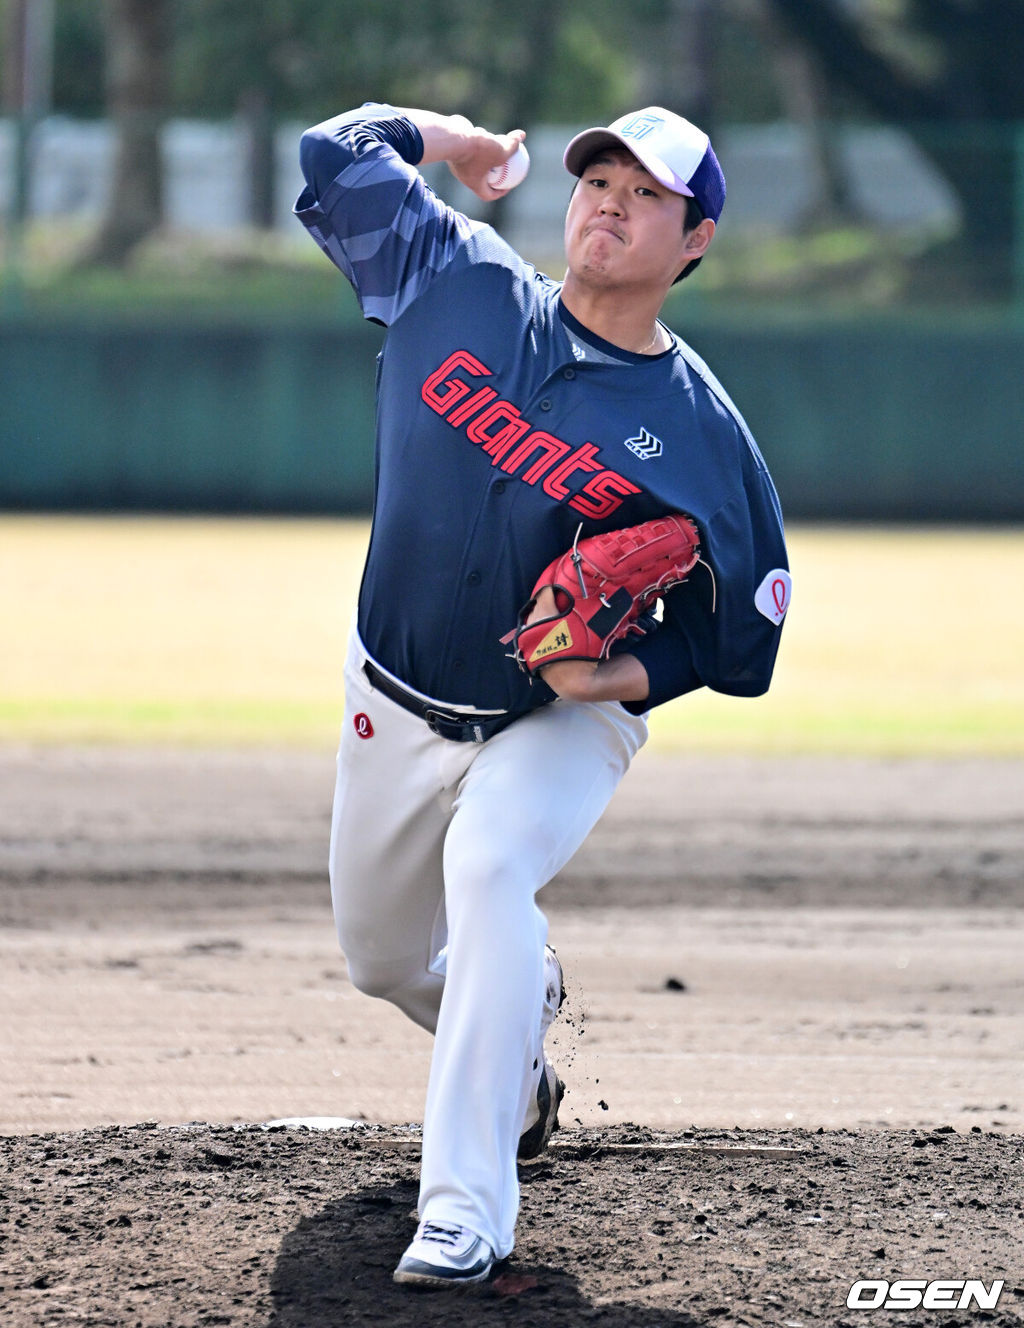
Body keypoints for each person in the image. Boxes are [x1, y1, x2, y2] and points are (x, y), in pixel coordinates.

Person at [294, 102, 790, 1287]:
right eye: (599, 174)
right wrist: (455, 141)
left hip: (556, 716)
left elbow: (744, 641)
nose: (612, 198)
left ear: (696, 241)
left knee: (489, 872)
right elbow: (329, 156)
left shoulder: (701, 434)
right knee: (382, 957)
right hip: (396, 688)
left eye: (649, 192)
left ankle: (465, 1206)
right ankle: (524, 1046)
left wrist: (622, 673)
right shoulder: (453, 277)